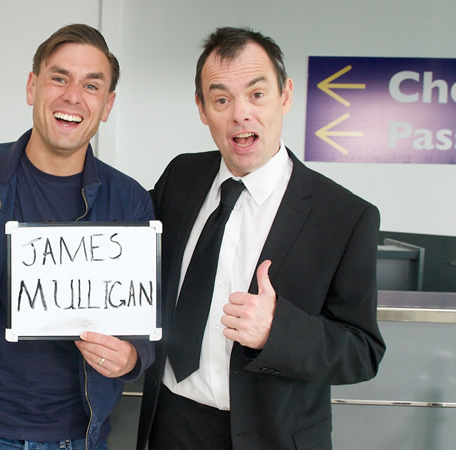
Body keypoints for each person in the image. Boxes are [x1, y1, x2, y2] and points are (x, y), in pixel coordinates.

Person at [136, 27, 386, 449]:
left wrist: (278, 331)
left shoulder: (345, 216)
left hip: (271, 435)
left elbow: (362, 351)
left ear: (285, 94)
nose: (240, 114)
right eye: (221, 100)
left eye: (257, 94)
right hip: (172, 424)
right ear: (202, 108)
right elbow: (122, 246)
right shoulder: (181, 177)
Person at [0, 24, 155, 450]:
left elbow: (143, 324)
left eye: (91, 85)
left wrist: (133, 358)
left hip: (79, 438)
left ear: (107, 105)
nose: (72, 96)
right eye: (59, 78)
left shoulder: (131, 201)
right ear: (33, 86)